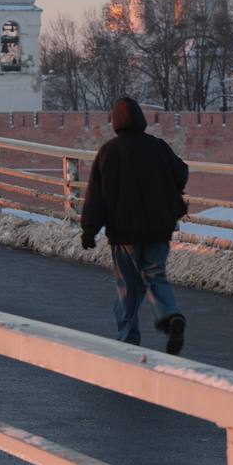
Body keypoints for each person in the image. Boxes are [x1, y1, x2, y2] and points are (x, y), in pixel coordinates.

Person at [80, 96, 190, 355]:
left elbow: (96, 195)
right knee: (155, 275)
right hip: (158, 228)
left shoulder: (109, 151)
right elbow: (182, 173)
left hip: (124, 233)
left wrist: (89, 229)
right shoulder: (158, 146)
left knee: (127, 286)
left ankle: (127, 340)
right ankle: (170, 314)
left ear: (116, 121)